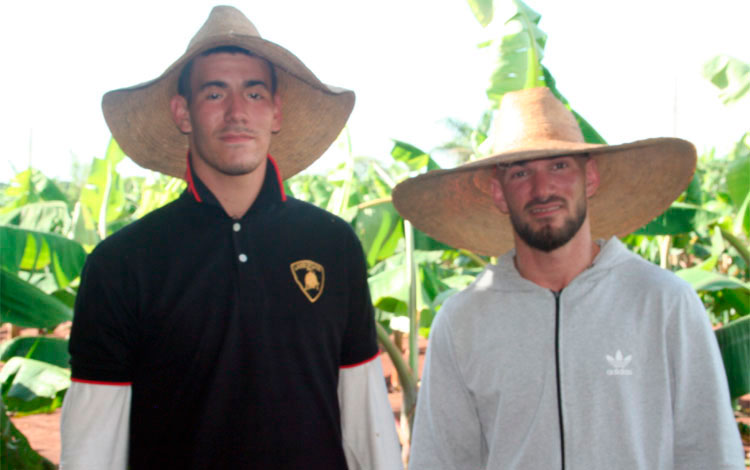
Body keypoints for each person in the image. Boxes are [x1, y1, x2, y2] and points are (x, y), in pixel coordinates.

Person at [60, 6, 401, 469]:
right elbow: (93, 445)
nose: (237, 112)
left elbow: (365, 414)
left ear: (276, 112)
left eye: (255, 93)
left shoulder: (333, 245)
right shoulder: (123, 262)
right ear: (183, 112)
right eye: (215, 93)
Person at [392, 87, 745, 469]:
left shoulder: (664, 302)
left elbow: (709, 451)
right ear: (498, 193)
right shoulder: (462, 322)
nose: (542, 189)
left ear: (589, 178)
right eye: (521, 172)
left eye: (559, 166)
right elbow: (443, 461)